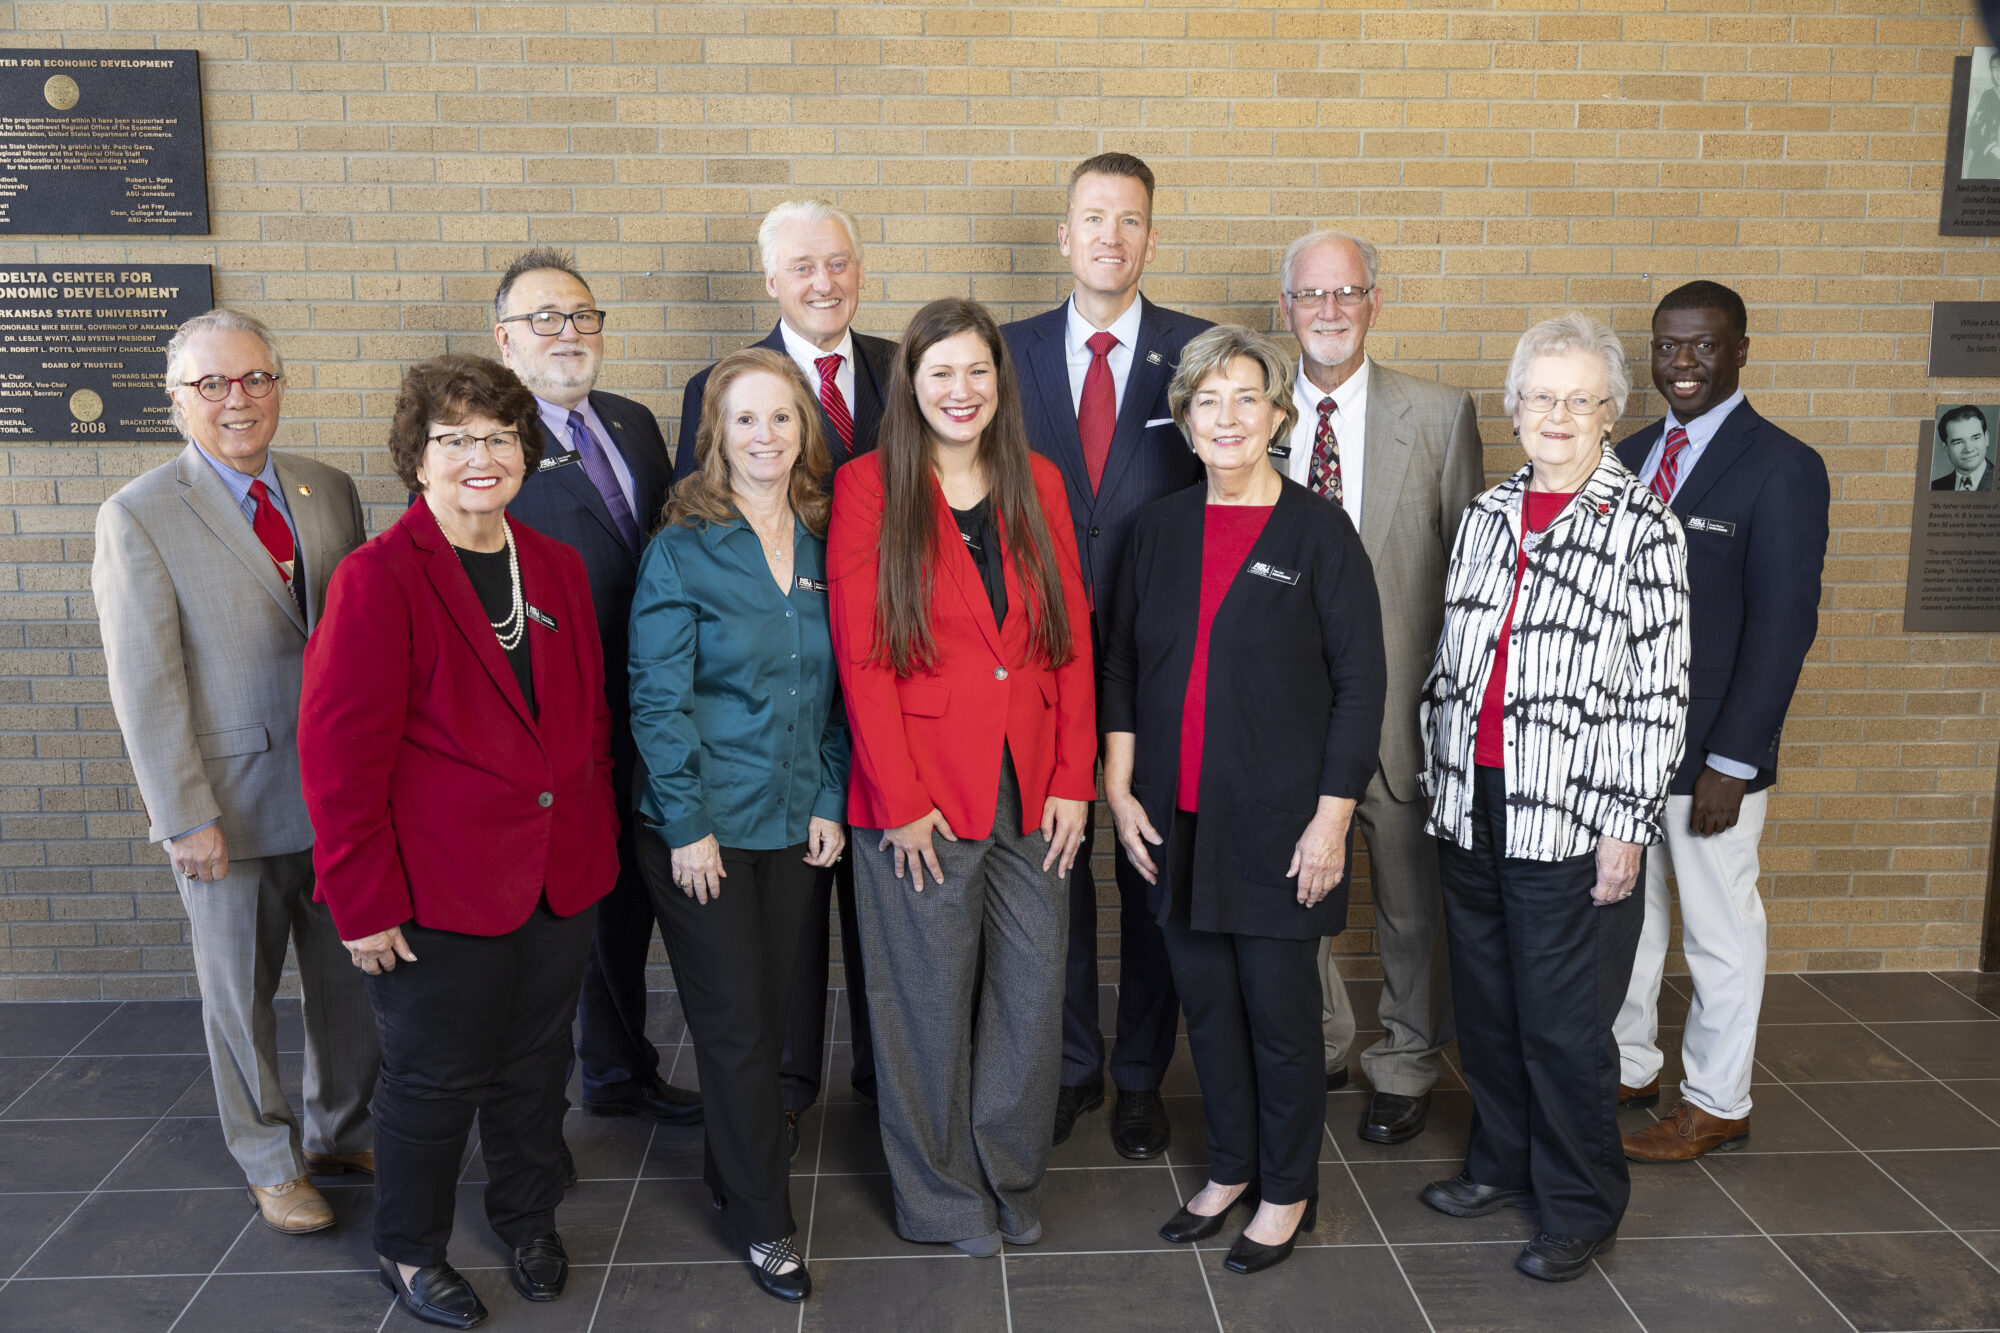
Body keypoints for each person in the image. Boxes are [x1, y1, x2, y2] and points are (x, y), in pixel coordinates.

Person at [299, 354, 620, 1329]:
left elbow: (586, 721)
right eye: (454, 439)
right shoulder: (378, 578)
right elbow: (337, 759)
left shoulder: (553, 564)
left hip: (557, 882)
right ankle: (409, 1246)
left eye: (497, 435)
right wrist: (362, 903)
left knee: (534, 1070)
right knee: (434, 1084)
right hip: (433, 895)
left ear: (524, 449)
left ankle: (526, 1216)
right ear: (417, 457)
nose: (479, 455)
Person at [1102, 325, 1386, 1276]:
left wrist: (1332, 818)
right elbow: (1123, 662)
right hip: (1173, 821)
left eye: (1245, 399)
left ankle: (1287, 1187)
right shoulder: (1158, 530)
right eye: (1206, 401)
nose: (1227, 417)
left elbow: (1361, 683)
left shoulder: (1318, 532)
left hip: (1279, 830)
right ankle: (1229, 1168)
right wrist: (1118, 780)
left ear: (1277, 416)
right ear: (1184, 422)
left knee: (1277, 1015)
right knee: (1208, 1009)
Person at [1417, 312, 1690, 1283]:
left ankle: (1578, 1203)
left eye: (1579, 399)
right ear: (1514, 406)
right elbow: (1455, 660)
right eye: (1541, 396)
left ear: (1611, 411)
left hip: (1571, 816)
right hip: (1471, 800)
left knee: (1562, 1024)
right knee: (1486, 1005)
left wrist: (1625, 825)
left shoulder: (1642, 527)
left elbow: (1659, 694)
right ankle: (1498, 1159)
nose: (1557, 415)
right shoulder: (1488, 514)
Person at [93, 308, 377, 1238]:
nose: (238, 399)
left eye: (255, 378)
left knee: (347, 985)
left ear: (281, 385)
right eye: (211, 384)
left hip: (335, 797)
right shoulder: (139, 513)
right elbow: (145, 682)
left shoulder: (328, 490)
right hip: (229, 809)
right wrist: (183, 815)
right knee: (239, 997)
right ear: (176, 399)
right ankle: (269, 1158)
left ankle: (341, 1128)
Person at [827, 297, 1096, 1257]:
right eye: (941, 372)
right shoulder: (869, 488)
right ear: (911, 384)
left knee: (1030, 998)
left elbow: (1070, 641)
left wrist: (1075, 778)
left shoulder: (1038, 482)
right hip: (920, 797)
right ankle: (939, 1197)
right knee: (925, 1007)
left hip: (1034, 787)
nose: (961, 389)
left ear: (998, 382)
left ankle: (1008, 1176)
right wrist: (898, 801)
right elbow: (863, 660)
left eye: (977, 371)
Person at [1001, 153, 1212, 1159]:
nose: (1109, 236)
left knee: (1145, 870)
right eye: (1092, 217)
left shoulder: (1196, 355)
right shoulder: (1002, 354)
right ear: (1063, 234)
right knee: (1052, 869)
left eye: (1129, 220)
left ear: (1150, 240)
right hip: (1034, 656)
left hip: (1156, 658)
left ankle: (1138, 1074)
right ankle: (1071, 1064)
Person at [628, 348, 850, 1303]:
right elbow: (657, 696)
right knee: (734, 1026)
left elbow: (846, 692)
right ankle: (765, 1226)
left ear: (805, 432)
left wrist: (831, 799)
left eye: (783, 419)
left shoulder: (824, 538)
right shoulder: (683, 545)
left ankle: (733, 1167)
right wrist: (686, 824)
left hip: (795, 825)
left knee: (769, 1014)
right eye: (747, 420)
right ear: (716, 435)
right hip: (701, 827)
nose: (766, 436)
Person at [675, 200, 894, 1135]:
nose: (823, 282)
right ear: (770, 279)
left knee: (886, 904)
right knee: (794, 916)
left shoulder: (902, 369)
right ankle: (790, 1083)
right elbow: (701, 538)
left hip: (885, 674)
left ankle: (893, 1079)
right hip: (779, 684)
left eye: (839, 263)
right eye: (803, 266)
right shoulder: (719, 387)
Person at [1274, 229, 1484, 1145]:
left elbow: (1469, 578)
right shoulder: (1247, 411)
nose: (1329, 311)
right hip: (1287, 717)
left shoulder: (1439, 417)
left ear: (1374, 303)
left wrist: (1451, 719)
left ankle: (1405, 1058)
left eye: (1347, 293)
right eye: (1312, 295)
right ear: (1286, 308)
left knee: (1409, 904)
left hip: (1400, 712)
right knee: (1299, 896)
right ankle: (1320, 1039)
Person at [1615, 281, 1831, 1163]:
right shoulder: (1624, 454)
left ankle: (1716, 1099)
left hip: (1711, 757)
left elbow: (1784, 624)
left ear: (1742, 349)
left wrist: (1735, 760)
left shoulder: (1782, 465)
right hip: (1625, 746)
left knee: (1718, 930)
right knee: (1628, 922)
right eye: (1669, 346)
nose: (1684, 363)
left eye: (1704, 346)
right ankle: (1629, 1066)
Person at [493, 249, 700, 1132]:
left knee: (626, 899)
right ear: (505, 341)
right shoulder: (492, 442)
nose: (568, 334)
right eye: (544, 319)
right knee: (572, 913)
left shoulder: (633, 420)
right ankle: (546, 1106)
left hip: (650, 706)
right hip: (558, 718)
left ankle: (619, 1068)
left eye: (582, 317)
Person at [1931, 404, 1995, 491]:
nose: (1969, 449)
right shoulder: (1934, 487)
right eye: (1958, 442)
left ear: (1986, 438)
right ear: (1945, 447)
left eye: (1975, 438)